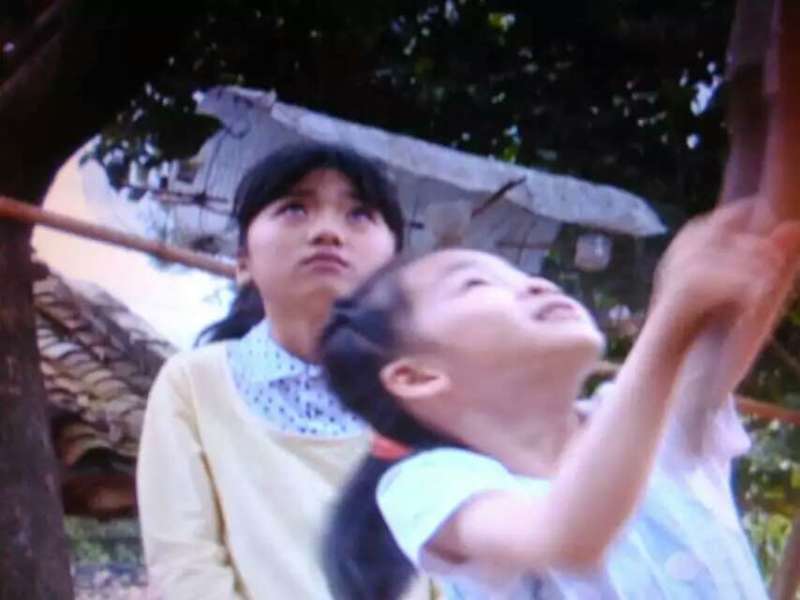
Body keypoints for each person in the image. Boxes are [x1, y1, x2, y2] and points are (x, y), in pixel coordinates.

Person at [320, 202, 800, 599]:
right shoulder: (429, 484)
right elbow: (566, 537)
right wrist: (670, 320)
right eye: (475, 283)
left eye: (517, 274)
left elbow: (756, 247)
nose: (535, 283)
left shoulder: (656, 417)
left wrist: (769, 122)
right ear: (417, 376)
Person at [136, 144, 434, 599]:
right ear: (243, 263)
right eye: (295, 208)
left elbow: (452, 570)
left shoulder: (428, 398)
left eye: (358, 214)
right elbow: (184, 567)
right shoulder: (194, 384)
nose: (328, 231)